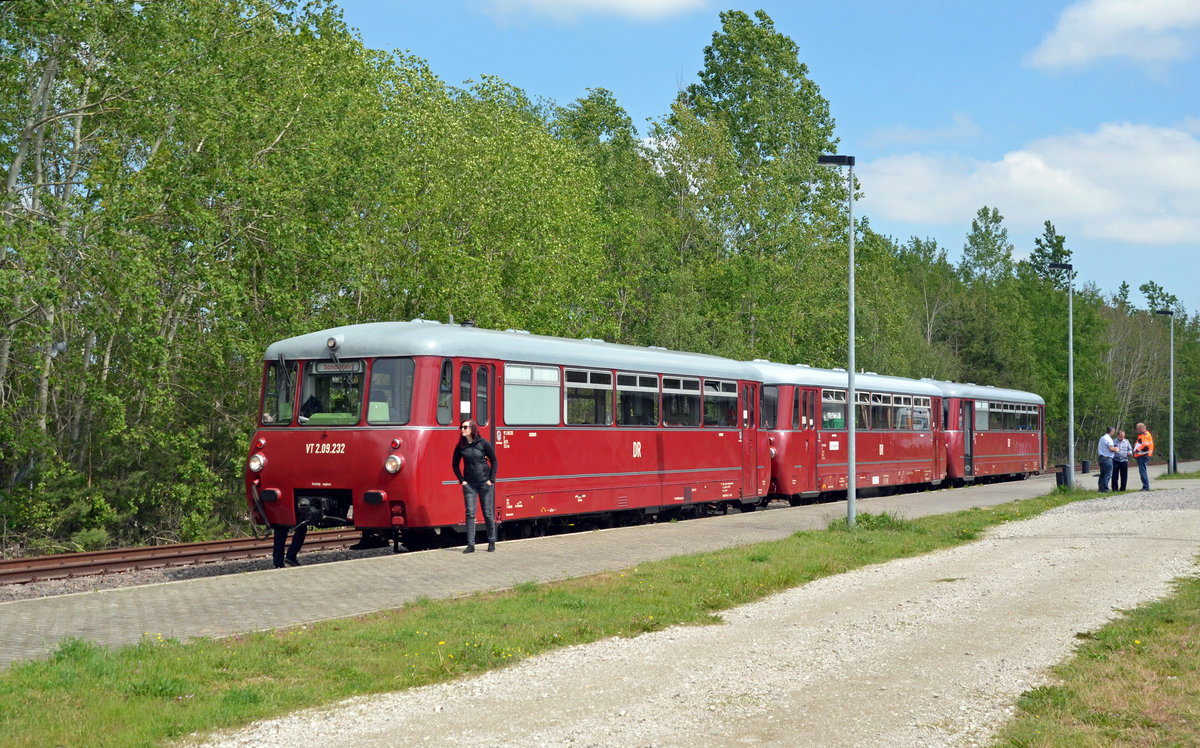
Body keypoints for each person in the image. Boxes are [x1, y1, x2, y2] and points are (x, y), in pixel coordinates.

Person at [452, 418, 498, 553]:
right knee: (470, 513)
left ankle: (491, 541)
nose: (462, 429)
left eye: (465, 427)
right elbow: (454, 465)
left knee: (487, 512)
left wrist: (491, 480)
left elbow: (494, 461)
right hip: (469, 485)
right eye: (461, 427)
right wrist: (462, 480)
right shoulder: (460, 446)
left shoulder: (483, 443)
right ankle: (471, 545)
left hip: (485, 483)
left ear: (472, 429)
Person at [1133, 422, 1155, 491]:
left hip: (1143, 455)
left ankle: (1146, 487)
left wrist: (1137, 450)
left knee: (1142, 471)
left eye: (1137, 429)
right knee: (1143, 471)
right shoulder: (1147, 434)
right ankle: (1145, 486)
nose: (1137, 430)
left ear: (1141, 428)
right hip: (1145, 455)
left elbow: (1145, 447)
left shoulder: (1144, 435)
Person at [1097, 426, 1117, 492]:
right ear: (1112, 432)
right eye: (1113, 432)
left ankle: (1100, 488)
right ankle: (1105, 489)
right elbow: (1111, 449)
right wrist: (1116, 449)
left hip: (1101, 457)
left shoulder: (1102, 438)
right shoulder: (1108, 439)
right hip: (1107, 458)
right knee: (1107, 474)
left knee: (1102, 474)